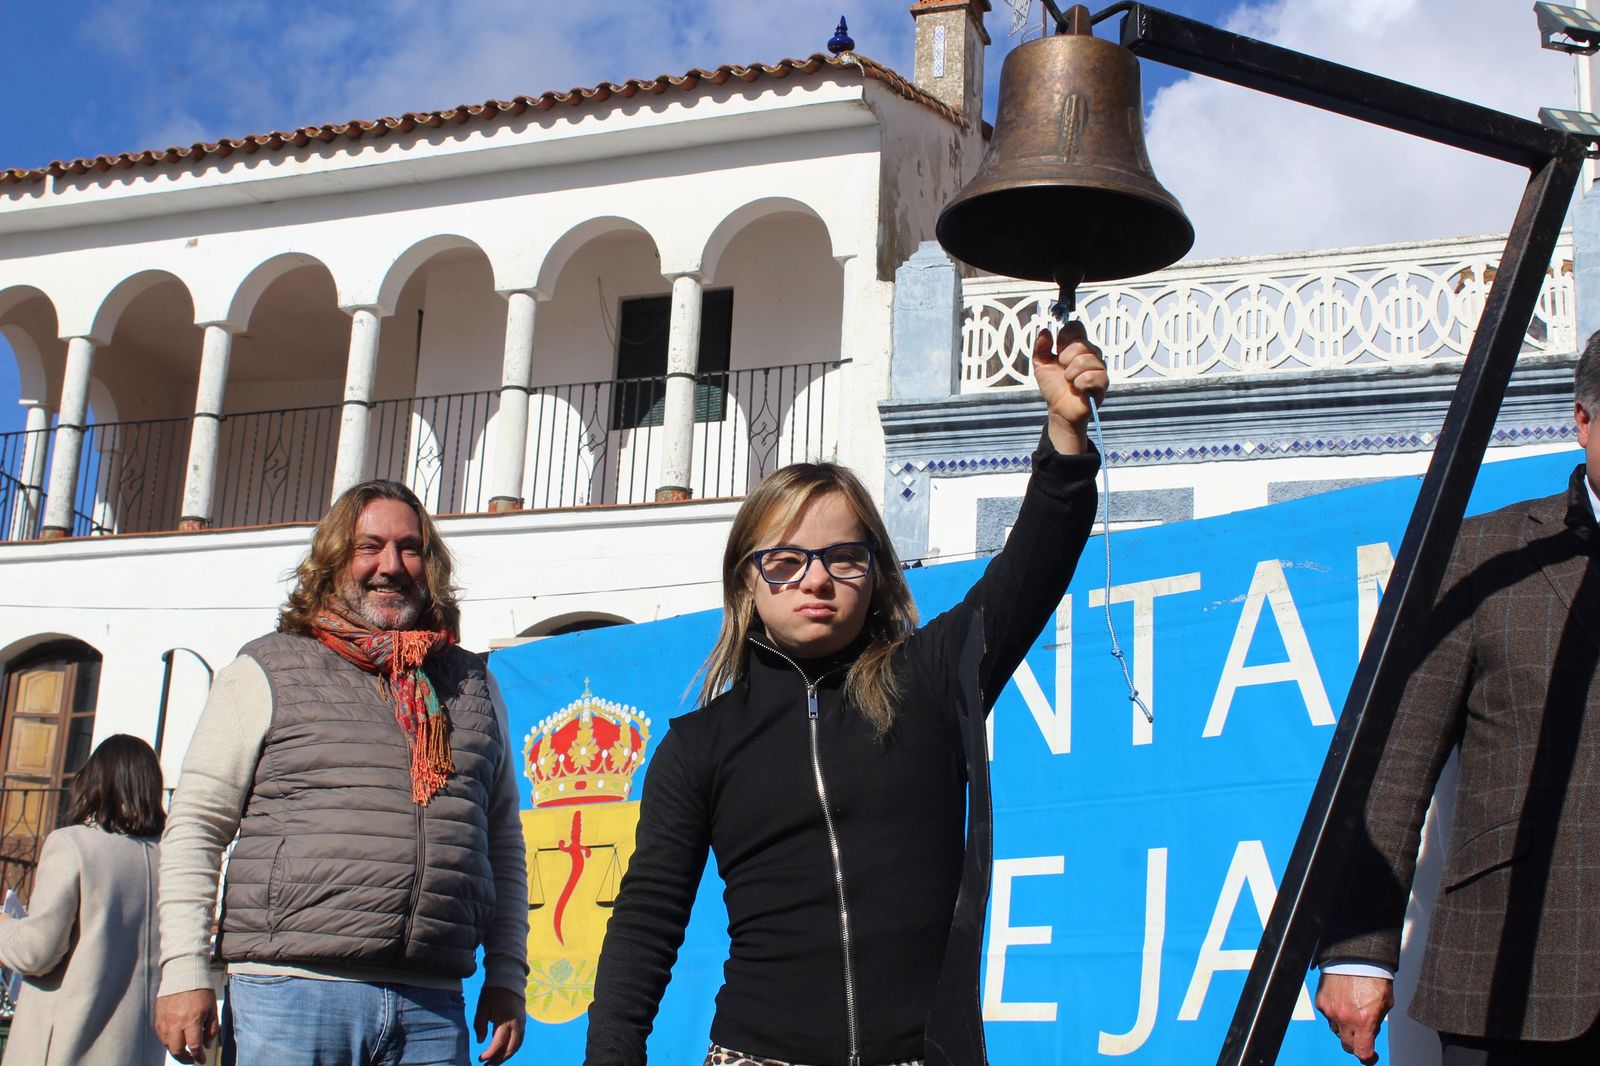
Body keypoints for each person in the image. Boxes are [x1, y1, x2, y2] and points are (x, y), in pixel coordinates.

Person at [584, 323, 1108, 1066]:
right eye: (787, 561)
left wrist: (1062, 435)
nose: (817, 581)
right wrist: (613, 1053)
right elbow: (647, 919)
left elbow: (1033, 568)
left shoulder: (927, 680)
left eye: (843, 558)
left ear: (879, 571)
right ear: (747, 580)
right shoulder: (699, 745)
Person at [154, 479, 529, 1066]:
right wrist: (183, 969)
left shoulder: (471, 684)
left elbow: (501, 839)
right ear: (333, 561)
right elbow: (197, 825)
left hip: (432, 1007)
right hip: (288, 996)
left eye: (409, 548)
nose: (391, 565)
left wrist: (508, 973)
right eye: (369, 546)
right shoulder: (268, 667)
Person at [1316, 330, 1600, 1066]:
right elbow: (1394, 764)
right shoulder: (1483, 555)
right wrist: (1357, 949)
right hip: (1522, 980)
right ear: (1584, 418)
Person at [0, 733, 166, 1066]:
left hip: (68, 1046)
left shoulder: (73, 845)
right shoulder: (170, 857)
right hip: (136, 1051)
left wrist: (4, 927)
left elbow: (36, 952)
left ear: (93, 781)